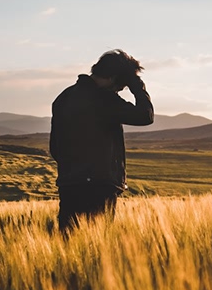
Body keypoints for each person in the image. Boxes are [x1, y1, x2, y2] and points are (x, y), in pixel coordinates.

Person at [50, 49, 154, 232]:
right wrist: (137, 86)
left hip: (69, 184)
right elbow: (145, 116)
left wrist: (72, 168)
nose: (120, 91)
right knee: (96, 248)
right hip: (99, 185)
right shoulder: (104, 100)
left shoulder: (63, 98)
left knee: (68, 242)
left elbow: (55, 148)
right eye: (121, 86)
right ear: (114, 78)